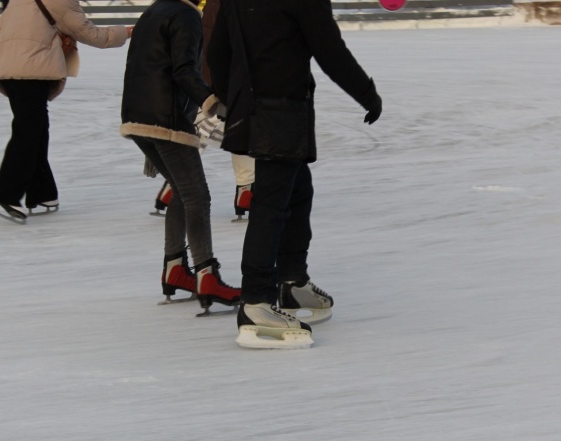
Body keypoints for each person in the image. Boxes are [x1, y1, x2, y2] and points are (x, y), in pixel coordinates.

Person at [208, 0, 382, 349]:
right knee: (270, 206)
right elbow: (329, 50)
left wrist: (237, 99)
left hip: (254, 108)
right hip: (283, 111)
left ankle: (291, 282)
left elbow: (216, 53)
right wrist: (366, 94)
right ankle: (257, 300)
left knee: (298, 191)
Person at [120, 0, 240, 314]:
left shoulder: (154, 10)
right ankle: (206, 275)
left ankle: (175, 268)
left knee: (180, 190)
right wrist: (214, 102)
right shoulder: (186, 15)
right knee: (197, 196)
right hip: (166, 119)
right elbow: (184, 70)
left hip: (137, 114)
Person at [0, 0, 131, 221]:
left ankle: (43, 193)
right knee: (28, 134)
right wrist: (129, 32)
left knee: (35, 130)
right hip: (33, 73)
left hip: (11, 74)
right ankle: (6, 194)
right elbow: (91, 34)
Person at [148, 0, 256, 222]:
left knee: (198, 132)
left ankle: (173, 186)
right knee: (242, 135)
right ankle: (245, 192)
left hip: (200, 77)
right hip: (233, 78)